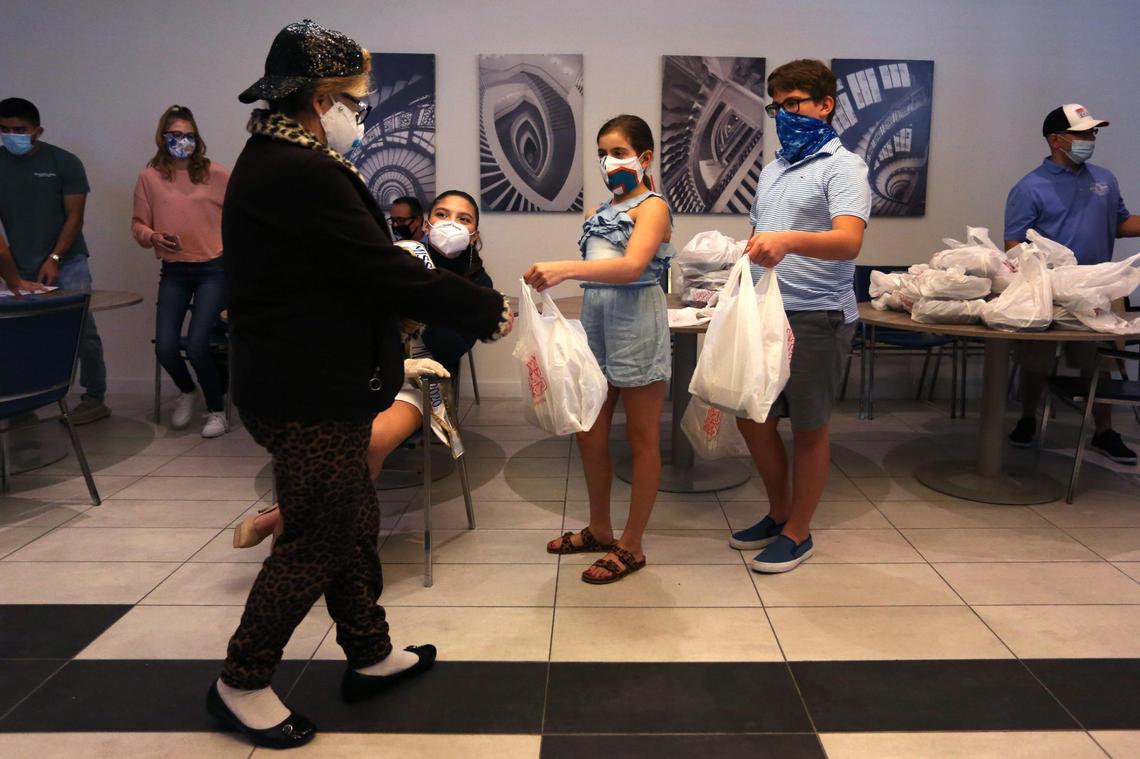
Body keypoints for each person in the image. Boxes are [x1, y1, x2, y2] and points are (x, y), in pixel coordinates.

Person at [211, 19, 512, 750]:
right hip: (304, 389)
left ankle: (370, 653)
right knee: (317, 536)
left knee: (348, 522)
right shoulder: (299, 169)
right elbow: (374, 269)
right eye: (355, 99)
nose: (361, 112)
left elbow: (350, 270)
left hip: (315, 379)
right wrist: (482, 306)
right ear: (319, 99)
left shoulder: (280, 158)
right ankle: (242, 680)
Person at [728, 59, 870, 574]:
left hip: (818, 313)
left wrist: (787, 241)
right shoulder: (773, 170)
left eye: (794, 103)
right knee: (752, 416)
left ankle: (798, 531)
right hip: (765, 311)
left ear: (825, 105)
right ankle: (779, 511)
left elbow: (849, 240)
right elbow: (763, 236)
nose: (784, 113)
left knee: (808, 427)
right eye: (777, 105)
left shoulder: (844, 167)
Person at [231, 240, 463, 548]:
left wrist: (425, 312)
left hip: (413, 389)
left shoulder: (440, 299)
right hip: (356, 387)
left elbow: (453, 347)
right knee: (335, 446)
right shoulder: (352, 300)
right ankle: (298, 543)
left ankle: (284, 532)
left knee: (367, 440)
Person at [526, 114, 673, 584]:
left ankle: (632, 544)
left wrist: (566, 269)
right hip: (596, 328)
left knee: (642, 437)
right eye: (603, 153)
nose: (608, 162)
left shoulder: (653, 208)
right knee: (589, 431)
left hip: (638, 325)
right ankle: (600, 528)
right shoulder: (595, 213)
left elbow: (632, 267)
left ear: (644, 158)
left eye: (618, 152)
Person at [1005, 104, 1140, 463]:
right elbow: (1014, 244)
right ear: (1056, 140)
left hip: (1101, 288)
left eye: (1092, 133)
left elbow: (1121, 223)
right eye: (1082, 134)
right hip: (1049, 291)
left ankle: (1105, 431)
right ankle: (1028, 419)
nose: (1090, 139)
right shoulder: (1029, 187)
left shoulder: (1105, 180)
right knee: (1036, 360)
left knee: (1099, 362)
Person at [0, 97, 110, 424]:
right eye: (4, 130)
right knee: (21, 336)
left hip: (68, 261)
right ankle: (24, 403)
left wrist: (55, 257)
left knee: (81, 333)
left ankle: (94, 398)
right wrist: (11, 274)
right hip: (18, 267)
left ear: (37, 130)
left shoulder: (64, 162)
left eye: (19, 129)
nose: (11, 135)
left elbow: (75, 218)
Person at [131, 105, 231, 438]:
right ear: (163, 138)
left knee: (199, 344)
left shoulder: (216, 174)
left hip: (213, 269)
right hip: (174, 270)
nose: (183, 141)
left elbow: (238, 217)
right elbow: (139, 225)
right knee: (166, 348)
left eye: (189, 135)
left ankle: (217, 410)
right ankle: (189, 391)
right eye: (176, 135)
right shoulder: (150, 178)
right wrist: (154, 236)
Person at [421, 190, 494, 375]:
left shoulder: (480, 284)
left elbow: (449, 350)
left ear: (473, 236)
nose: (451, 224)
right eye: (441, 214)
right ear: (426, 225)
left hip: (437, 377)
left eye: (463, 219)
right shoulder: (404, 260)